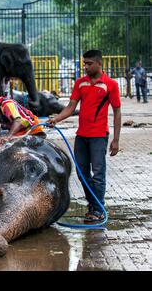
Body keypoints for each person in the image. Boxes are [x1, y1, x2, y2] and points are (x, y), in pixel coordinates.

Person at [47, 50, 121, 223]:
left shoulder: (110, 85)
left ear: (98, 63)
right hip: (81, 136)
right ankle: (93, 205)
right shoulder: (81, 83)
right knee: (81, 173)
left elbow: (117, 112)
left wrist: (116, 140)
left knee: (98, 173)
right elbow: (71, 107)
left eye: (88, 64)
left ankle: (98, 209)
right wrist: (56, 119)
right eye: (84, 64)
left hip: (99, 136)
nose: (85, 67)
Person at [0, 85, 46, 149]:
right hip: (18, 132)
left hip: (32, 129)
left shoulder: (7, 104)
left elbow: (18, 121)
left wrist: (8, 136)